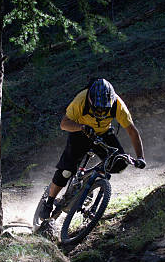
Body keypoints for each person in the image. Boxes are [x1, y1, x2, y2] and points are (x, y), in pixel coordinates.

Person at [39, 77, 146, 220]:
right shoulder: (80, 100)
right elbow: (64, 124)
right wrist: (81, 127)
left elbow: (132, 131)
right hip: (80, 132)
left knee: (119, 164)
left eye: (104, 109)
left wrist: (140, 157)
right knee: (66, 171)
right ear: (90, 100)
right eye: (97, 108)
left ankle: (88, 181)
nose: (101, 112)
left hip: (103, 133)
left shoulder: (117, 105)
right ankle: (49, 202)